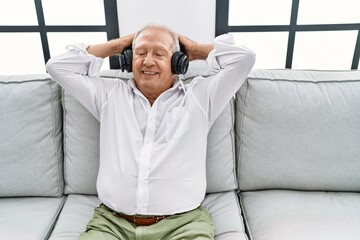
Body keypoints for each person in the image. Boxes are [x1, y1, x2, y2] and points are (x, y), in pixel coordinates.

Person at [46, 23, 255, 240]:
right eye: (140, 53)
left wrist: (195, 50)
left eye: (159, 54)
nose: (147, 61)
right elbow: (57, 67)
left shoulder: (200, 97)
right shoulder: (109, 95)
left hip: (183, 225)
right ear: (128, 59)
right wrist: (116, 46)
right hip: (112, 224)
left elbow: (244, 58)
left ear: (177, 62)